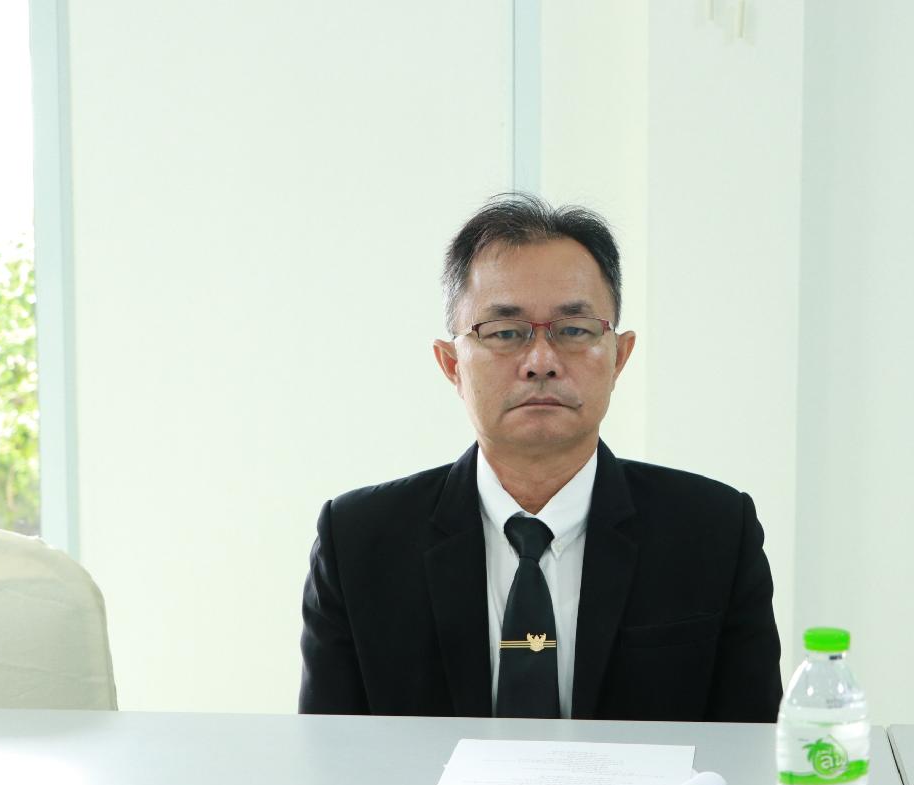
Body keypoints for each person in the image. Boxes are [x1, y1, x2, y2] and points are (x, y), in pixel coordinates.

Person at [299, 194, 781, 722]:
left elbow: (753, 750)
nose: (541, 362)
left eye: (574, 330)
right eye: (505, 333)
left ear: (619, 357)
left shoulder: (713, 531)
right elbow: (329, 757)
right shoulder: (359, 542)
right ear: (451, 364)